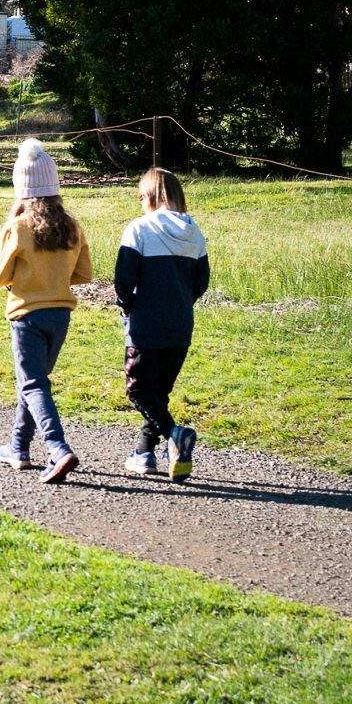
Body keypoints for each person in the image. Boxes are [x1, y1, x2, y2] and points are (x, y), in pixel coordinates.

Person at [0, 138, 94, 483]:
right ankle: (18, 447)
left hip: (25, 315)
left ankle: (57, 448)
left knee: (32, 385)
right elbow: (85, 274)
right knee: (35, 385)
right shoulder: (72, 227)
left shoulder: (17, 227)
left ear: (21, 187)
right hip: (60, 315)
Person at [114, 167, 210, 481]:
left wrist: (128, 308)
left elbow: (123, 281)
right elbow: (201, 282)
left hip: (145, 325)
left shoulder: (138, 229)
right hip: (180, 325)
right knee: (159, 393)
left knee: (139, 390)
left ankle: (175, 433)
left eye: (141, 197)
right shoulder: (194, 232)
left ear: (148, 196)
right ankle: (144, 453)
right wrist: (180, 302)